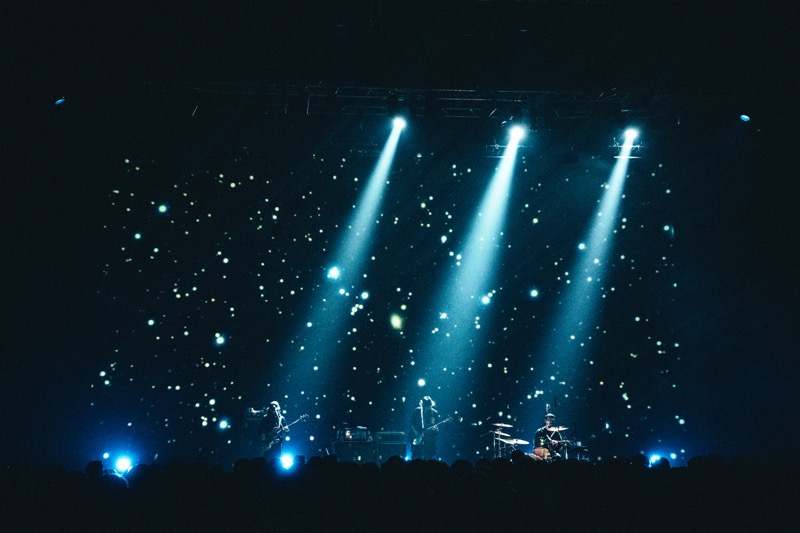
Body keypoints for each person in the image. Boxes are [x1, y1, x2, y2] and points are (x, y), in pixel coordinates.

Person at [409, 396, 439, 460]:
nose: (426, 408)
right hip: (417, 437)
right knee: (416, 457)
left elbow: (436, 428)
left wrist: (436, 430)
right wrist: (415, 433)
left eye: (428, 406)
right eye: (425, 406)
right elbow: (411, 423)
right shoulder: (417, 410)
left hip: (429, 440)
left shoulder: (434, 413)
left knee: (428, 458)